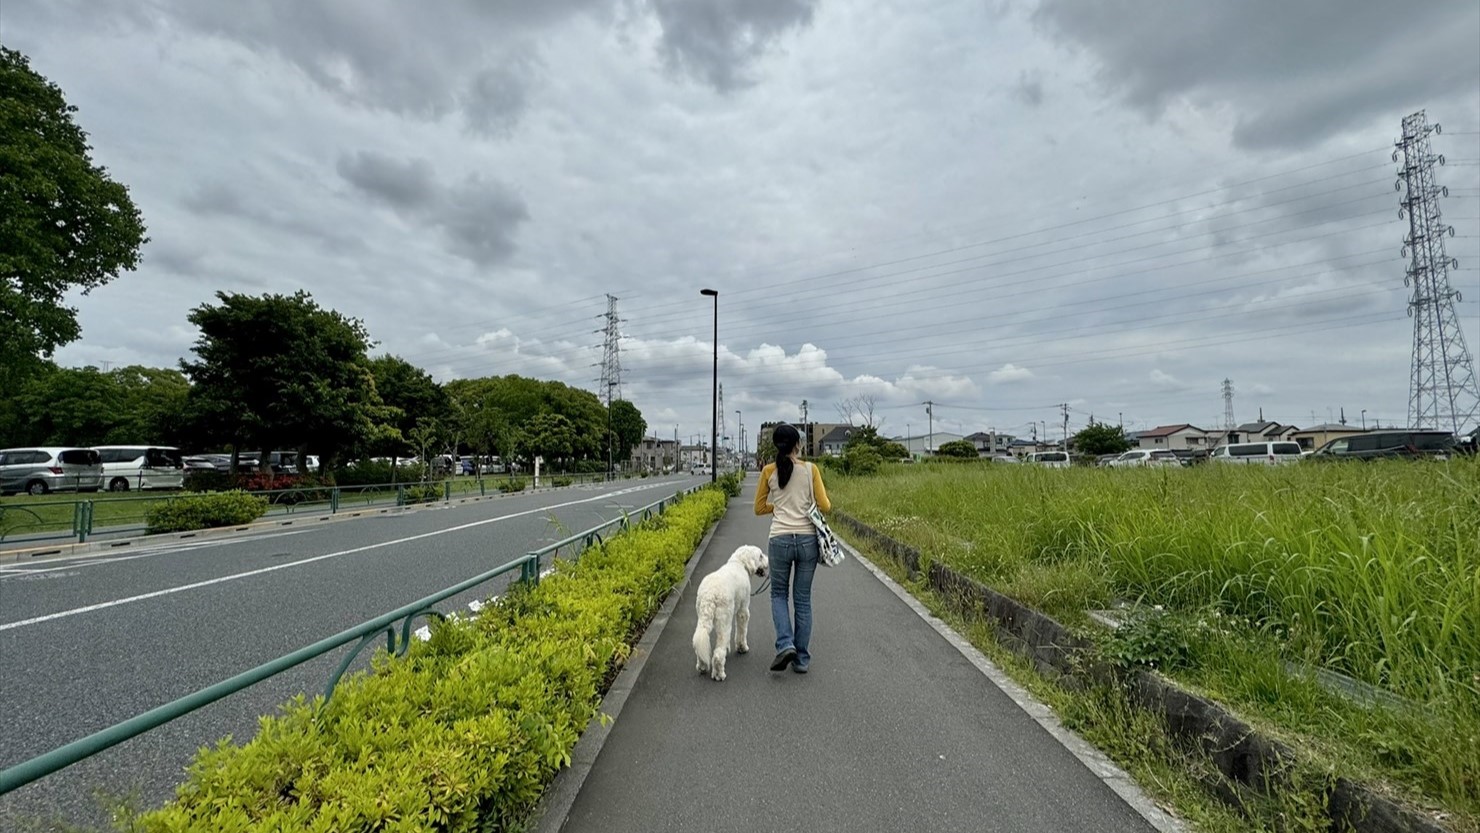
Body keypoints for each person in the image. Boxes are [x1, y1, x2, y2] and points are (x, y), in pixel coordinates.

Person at [753, 423, 831, 674]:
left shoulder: (768, 471)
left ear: (776, 445)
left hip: (779, 539)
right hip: (807, 540)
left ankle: (785, 644)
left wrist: (779, 507)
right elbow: (825, 506)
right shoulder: (810, 469)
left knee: (778, 594)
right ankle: (802, 659)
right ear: (798, 444)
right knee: (803, 599)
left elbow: (759, 508)